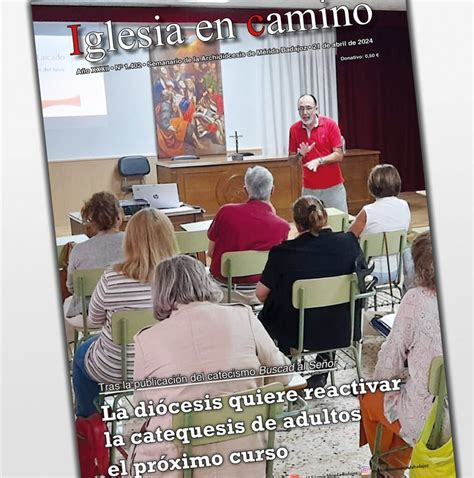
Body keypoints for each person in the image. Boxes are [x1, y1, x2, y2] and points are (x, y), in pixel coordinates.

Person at [130, 254, 292, 477]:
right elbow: (282, 375)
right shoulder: (242, 315)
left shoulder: (146, 339)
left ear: (160, 292)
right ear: (205, 280)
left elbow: (143, 406)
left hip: (181, 464)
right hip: (246, 456)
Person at [72, 208, 178, 418]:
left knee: (81, 352)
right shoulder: (180, 277)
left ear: (130, 240)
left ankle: (89, 422)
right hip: (167, 365)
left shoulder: (112, 277)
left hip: (116, 367)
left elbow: (93, 321)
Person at [256, 196, 363, 386]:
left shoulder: (283, 252)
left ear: (297, 224)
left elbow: (261, 294)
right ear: (325, 217)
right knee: (328, 306)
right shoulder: (349, 243)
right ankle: (323, 368)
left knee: (280, 305)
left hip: (297, 332)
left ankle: (289, 371)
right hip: (341, 328)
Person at [359, 232, 442, 477]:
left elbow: (388, 366)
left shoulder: (417, 299)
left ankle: (387, 468)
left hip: (431, 422)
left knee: (370, 395)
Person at [207, 166, 290, 304]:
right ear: (273, 191)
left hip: (224, 292)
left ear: (245, 190)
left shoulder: (226, 212)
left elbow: (210, 252)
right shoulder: (282, 226)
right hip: (261, 294)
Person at [64, 191, 125, 343]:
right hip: (129, 309)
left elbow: (72, 287)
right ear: (119, 217)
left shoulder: (79, 250)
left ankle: (70, 352)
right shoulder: (136, 242)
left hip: (90, 314)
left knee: (67, 303)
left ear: (92, 222)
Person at [349, 164, 411, 284]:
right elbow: (407, 231)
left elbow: (349, 237)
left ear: (372, 186)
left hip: (368, 273)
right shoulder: (404, 205)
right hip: (395, 271)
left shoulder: (367, 211)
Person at [288, 94, 347, 212]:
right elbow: (291, 161)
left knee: (340, 224)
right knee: (309, 225)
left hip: (333, 187)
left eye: (308, 108)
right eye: (301, 109)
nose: (305, 112)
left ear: (316, 109)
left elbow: (339, 155)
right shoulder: (294, 129)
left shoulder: (330, 124)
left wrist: (319, 161)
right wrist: (300, 155)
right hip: (309, 189)